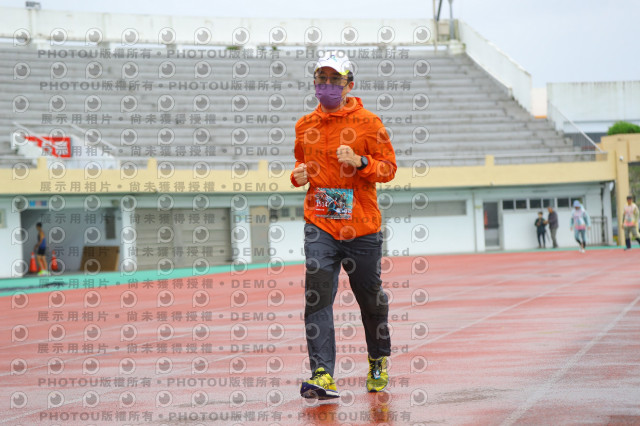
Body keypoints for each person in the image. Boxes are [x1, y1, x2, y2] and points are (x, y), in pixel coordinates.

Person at [290, 51, 397, 399]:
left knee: (370, 298)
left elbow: (389, 169)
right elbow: (301, 166)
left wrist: (361, 161)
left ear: (349, 84)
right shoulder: (304, 125)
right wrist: (297, 176)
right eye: (321, 78)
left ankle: (377, 359)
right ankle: (322, 374)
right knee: (317, 295)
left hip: (361, 226)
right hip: (320, 223)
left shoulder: (369, 122)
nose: (327, 85)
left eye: (334, 79)